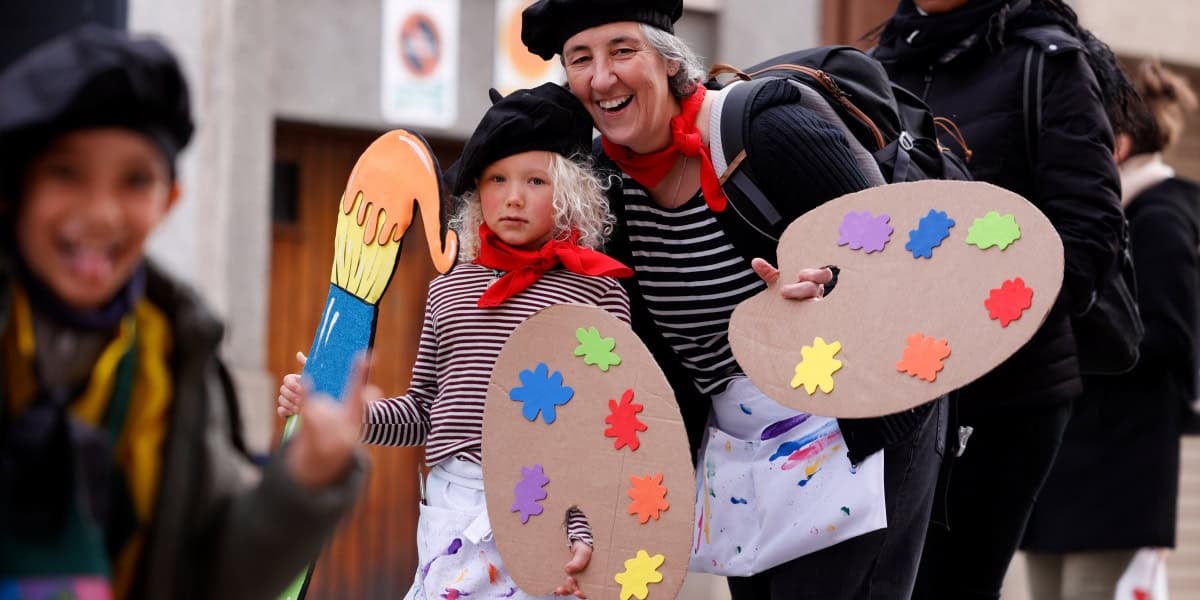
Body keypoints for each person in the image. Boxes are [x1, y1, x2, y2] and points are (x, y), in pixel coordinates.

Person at [520, 2, 946, 598]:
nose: (602, 77)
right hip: (744, 447)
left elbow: (896, 257)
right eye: (580, 60)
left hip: (859, 418)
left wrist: (825, 291)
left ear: (669, 61)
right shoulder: (601, 187)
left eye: (622, 51)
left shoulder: (766, 132)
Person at [0, 25, 368, 599]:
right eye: (65, 173)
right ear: (15, 188)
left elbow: (211, 573)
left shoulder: (173, 358)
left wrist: (305, 479)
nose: (100, 212)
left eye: (135, 180)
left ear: (169, 199)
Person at [278, 82, 633, 600]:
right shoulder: (449, 289)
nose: (513, 197)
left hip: (551, 520)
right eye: (497, 179)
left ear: (570, 191)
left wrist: (583, 526)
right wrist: (346, 413)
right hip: (452, 512)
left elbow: (604, 434)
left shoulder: (598, 292)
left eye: (535, 180)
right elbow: (423, 411)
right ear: (476, 191)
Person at [872, 1, 1126, 598]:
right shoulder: (879, 64)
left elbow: (1090, 233)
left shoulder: (1046, 60)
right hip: (896, 389)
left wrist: (984, 324)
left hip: (1009, 394)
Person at [1021, 58, 1200, 600]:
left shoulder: (1160, 218)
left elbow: (1169, 340)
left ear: (1116, 146)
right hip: (1072, 462)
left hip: (1116, 474)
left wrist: (1062, 345)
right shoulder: (1110, 215)